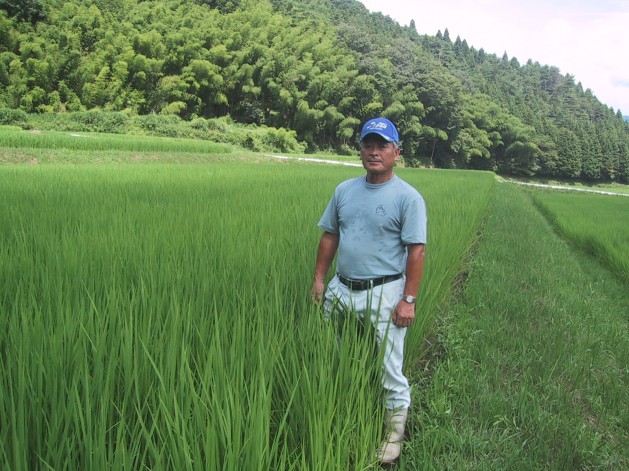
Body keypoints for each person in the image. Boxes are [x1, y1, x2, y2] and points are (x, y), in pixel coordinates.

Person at [310, 117, 427, 465]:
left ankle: (394, 434)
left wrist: (408, 300)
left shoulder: (408, 198)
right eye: (368, 144)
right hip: (341, 288)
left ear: (396, 152)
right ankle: (335, 406)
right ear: (359, 148)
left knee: (390, 366)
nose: (374, 151)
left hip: (385, 291)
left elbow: (416, 251)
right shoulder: (344, 190)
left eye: (382, 145)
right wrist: (319, 279)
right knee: (330, 351)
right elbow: (330, 235)